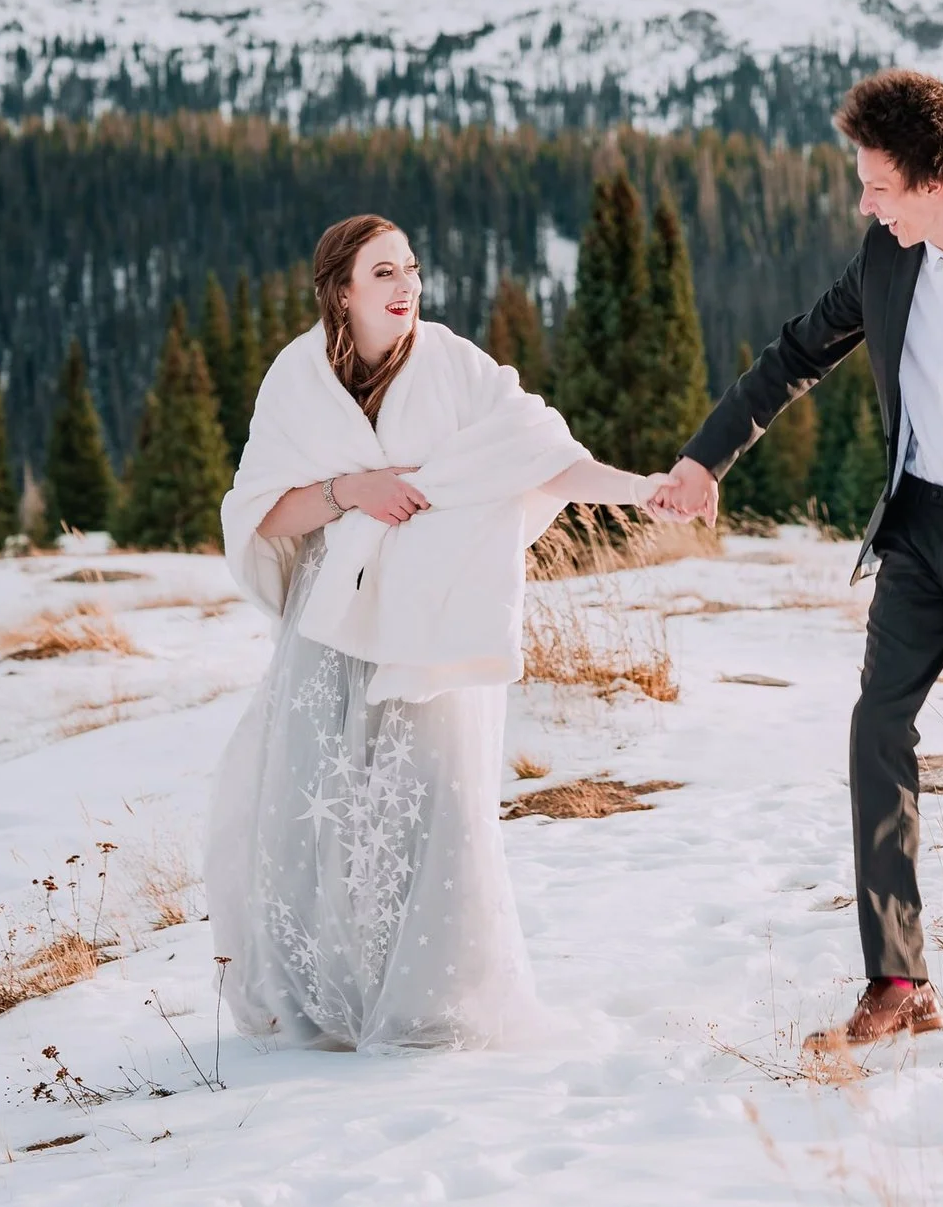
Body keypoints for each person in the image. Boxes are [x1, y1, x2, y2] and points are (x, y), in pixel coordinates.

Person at [647, 68, 943, 1045]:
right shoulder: (885, 258)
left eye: (877, 184)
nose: (864, 201)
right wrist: (703, 455)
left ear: (937, 181)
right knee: (876, 731)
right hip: (916, 535)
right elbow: (793, 354)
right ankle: (899, 984)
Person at [207, 214, 663, 1051]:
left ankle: (431, 998)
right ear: (340, 291)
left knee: (434, 800)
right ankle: (325, 992)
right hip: (331, 621)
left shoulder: (455, 365)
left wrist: (643, 488)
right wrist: (352, 489)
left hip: (430, 616)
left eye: (411, 268)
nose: (406, 286)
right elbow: (260, 508)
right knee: (321, 802)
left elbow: (542, 454)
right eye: (383, 272)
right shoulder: (297, 378)